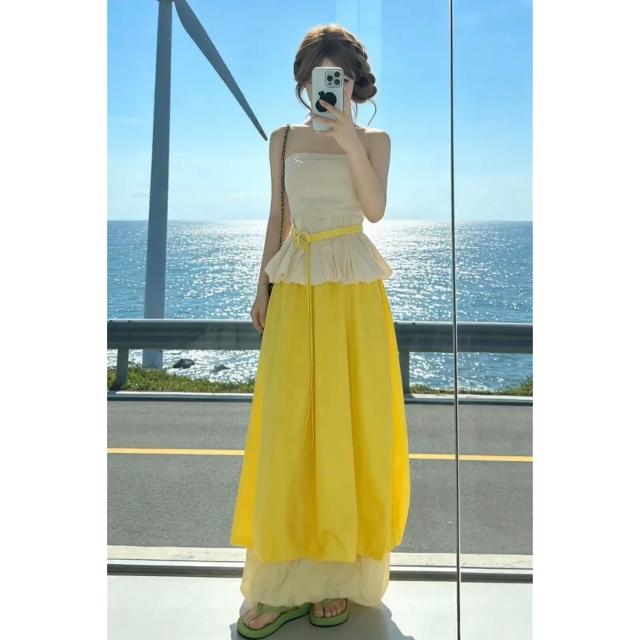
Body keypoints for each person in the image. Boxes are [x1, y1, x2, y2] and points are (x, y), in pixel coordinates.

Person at [230, 23, 411, 638]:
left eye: (344, 79)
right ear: (304, 82)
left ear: (357, 84)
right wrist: (262, 287)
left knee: (348, 427)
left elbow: (374, 209)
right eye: (321, 78)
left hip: (353, 295)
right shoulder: (282, 139)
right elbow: (276, 218)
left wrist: (349, 138)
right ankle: (281, 582)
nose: (333, 88)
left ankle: (337, 576)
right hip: (298, 289)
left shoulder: (375, 140)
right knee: (290, 430)